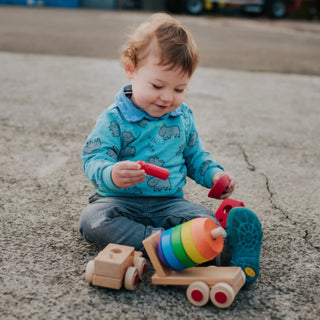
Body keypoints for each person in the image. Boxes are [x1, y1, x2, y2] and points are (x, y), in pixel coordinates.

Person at [79, 13, 262, 286]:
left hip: (169, 204)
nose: (167, 97)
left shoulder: (183, 117)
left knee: (205, 220)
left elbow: (194, 156)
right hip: (120, 202)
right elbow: (94, 158)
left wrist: (214, 175)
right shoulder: (114, 118)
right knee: (92, 220)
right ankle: (169, 247)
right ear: (131, 69)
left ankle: (229, 251)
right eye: (157, 86)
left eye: (179, 89)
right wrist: (112, 173)